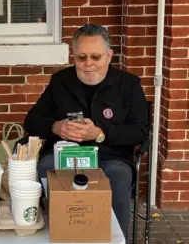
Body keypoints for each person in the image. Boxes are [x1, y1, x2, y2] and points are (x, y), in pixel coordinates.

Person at [24, 23, 148, 241]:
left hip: (111, 157)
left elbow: (139, 131)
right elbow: (32, 121)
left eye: (96, 57)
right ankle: (57, 235)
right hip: (65, 155)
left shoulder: (128, 85)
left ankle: (116, 240)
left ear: (109, 56)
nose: (88, 64)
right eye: (82, 57)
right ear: (74, 56)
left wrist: (100, 133)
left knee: (118, 178)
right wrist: (56, 127)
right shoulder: (61, 81)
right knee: (45, 168)